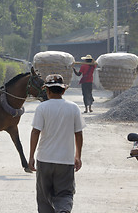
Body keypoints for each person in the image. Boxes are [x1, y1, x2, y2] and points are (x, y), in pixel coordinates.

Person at [29, 74, 85, 213]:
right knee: (65, 194)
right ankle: (63, 210)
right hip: (65, 161)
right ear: (63, 91)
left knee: (44, 197)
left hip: (44, 160)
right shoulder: (73, 108)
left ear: (47, 91)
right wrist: (78, 156)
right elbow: (78, 133)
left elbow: (35, 132)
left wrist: (30, 157)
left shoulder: (42, 108)